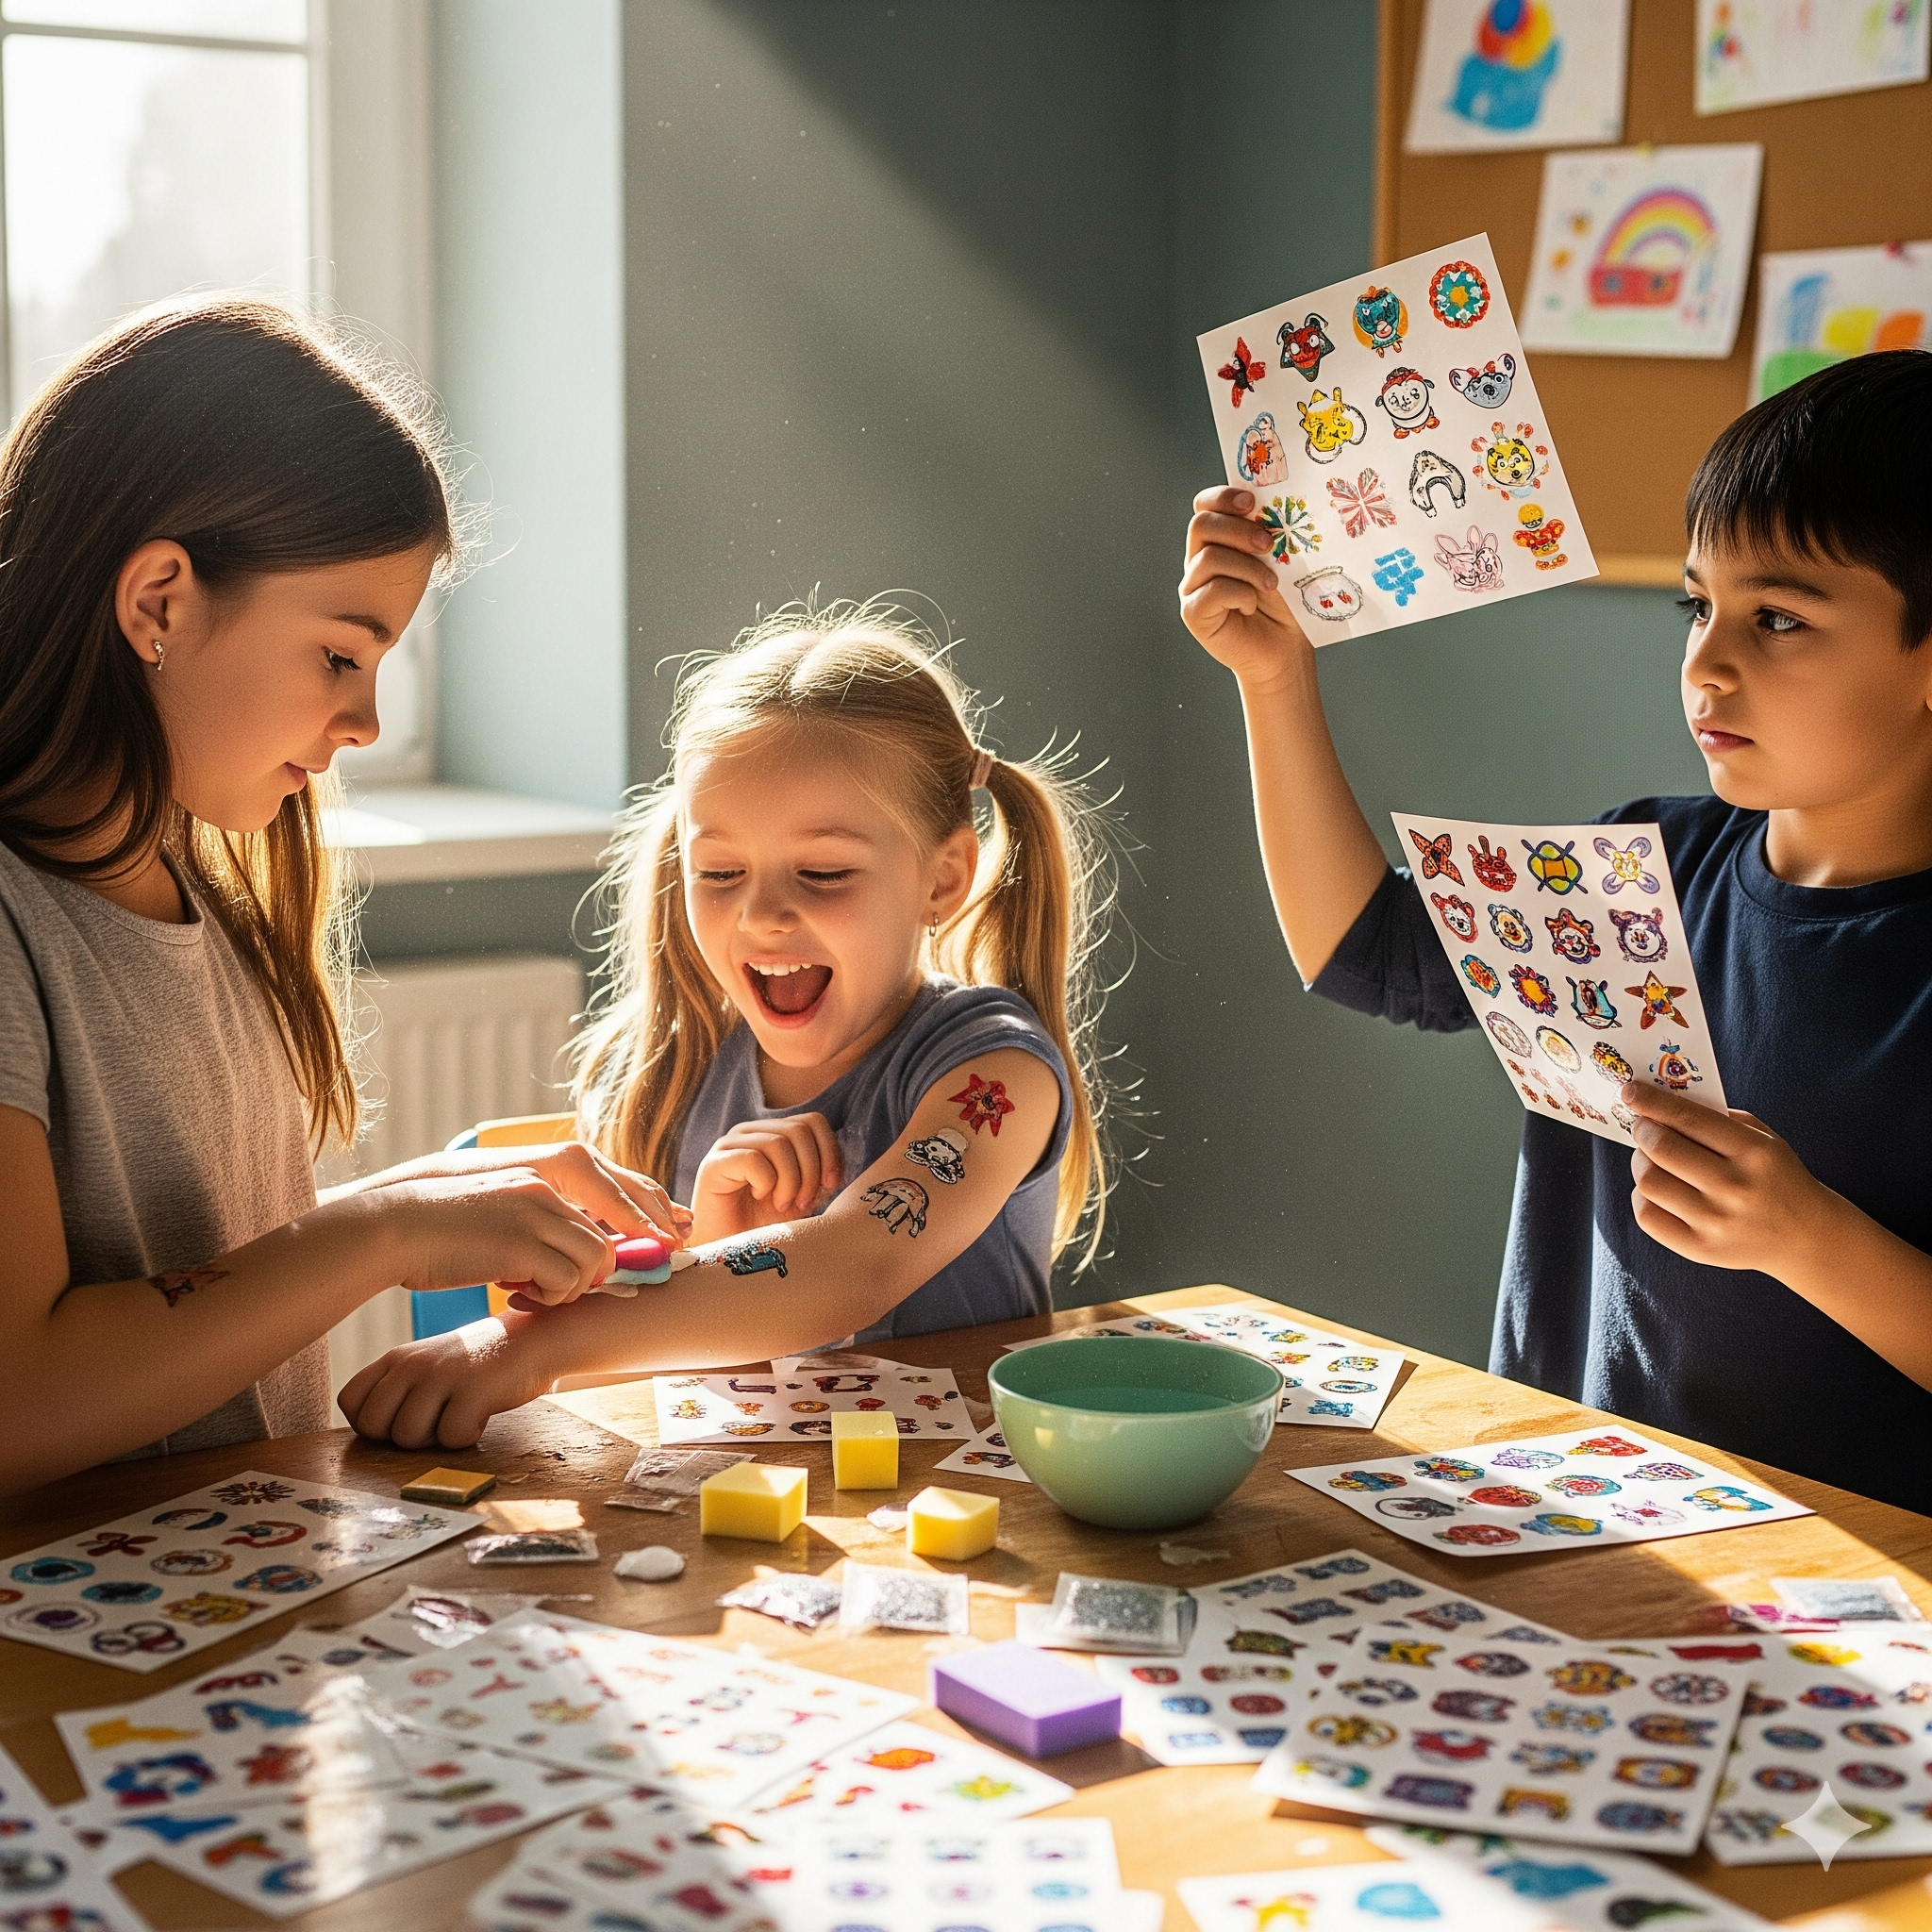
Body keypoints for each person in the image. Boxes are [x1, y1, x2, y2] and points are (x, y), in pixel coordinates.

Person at [1176, 349, 1932, 1514]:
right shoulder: (1640, 870)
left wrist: (1805, 1236)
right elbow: (1361, 949)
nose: (1704, 661)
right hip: (1581, 1527)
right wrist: (1272, 680)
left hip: (1855, 1595)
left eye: (1776, 616)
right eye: (1697, 604)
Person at [0, 299, 679, 1496]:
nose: (363, 721)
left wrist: (431, 1199)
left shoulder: (189, 884)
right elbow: (22, 1392)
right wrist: (384, 1235)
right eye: (338, 655)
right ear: (159, 599)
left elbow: (193, 1265)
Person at [341, 602, 1116, 1449]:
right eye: (719, 871)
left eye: (822, 872)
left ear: (943, 879)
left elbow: (856, 1261)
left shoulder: (994, 1071)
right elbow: (634, 1404)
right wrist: (712, 1238)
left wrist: (521, 1347)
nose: (763, 914)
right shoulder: (667, 1074)